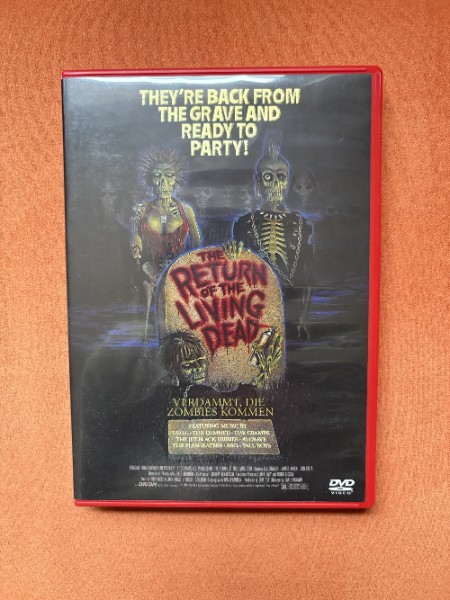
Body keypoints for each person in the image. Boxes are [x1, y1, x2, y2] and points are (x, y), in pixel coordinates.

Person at [131, 148, 201, 340]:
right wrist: (139, 254)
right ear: (151, 181)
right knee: (148, 284)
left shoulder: (185, 210)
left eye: (168, 176)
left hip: (179, 270)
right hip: (150, 268)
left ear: (175, 180)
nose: (163, 183)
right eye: (157, 177)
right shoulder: (143, 210)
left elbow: (196, 243)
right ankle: (146, 338)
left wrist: (189, 267)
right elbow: (136, 241)